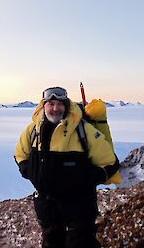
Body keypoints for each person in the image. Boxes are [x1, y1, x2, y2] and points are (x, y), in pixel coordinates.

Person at [14, 87, 121, 248]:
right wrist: (31, 173)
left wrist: (86, 181)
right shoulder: (33, 130)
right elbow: (20, 154)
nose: (55, 108)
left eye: (59, 104)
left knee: (81, 243)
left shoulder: (83, 130)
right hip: (47, 205)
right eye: (51, 104)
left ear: (66, 106)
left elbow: (110, 162)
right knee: (51, 242)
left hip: (79, 205)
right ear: (44, 106)